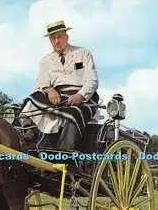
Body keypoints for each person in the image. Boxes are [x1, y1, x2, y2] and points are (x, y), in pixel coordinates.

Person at [21, 20, 99, 150]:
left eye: (60, 36)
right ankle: (29, 133)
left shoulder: (83, 53)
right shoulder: (45, 60)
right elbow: (41, 83)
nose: (57, 41)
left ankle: (64, 153)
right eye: (53, 38)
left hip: (83, 98)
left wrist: (80, 95)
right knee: (32, 99)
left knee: (74, 114)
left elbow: (92, 80)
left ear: (67, 37)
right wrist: (49, 90)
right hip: (57, 97)